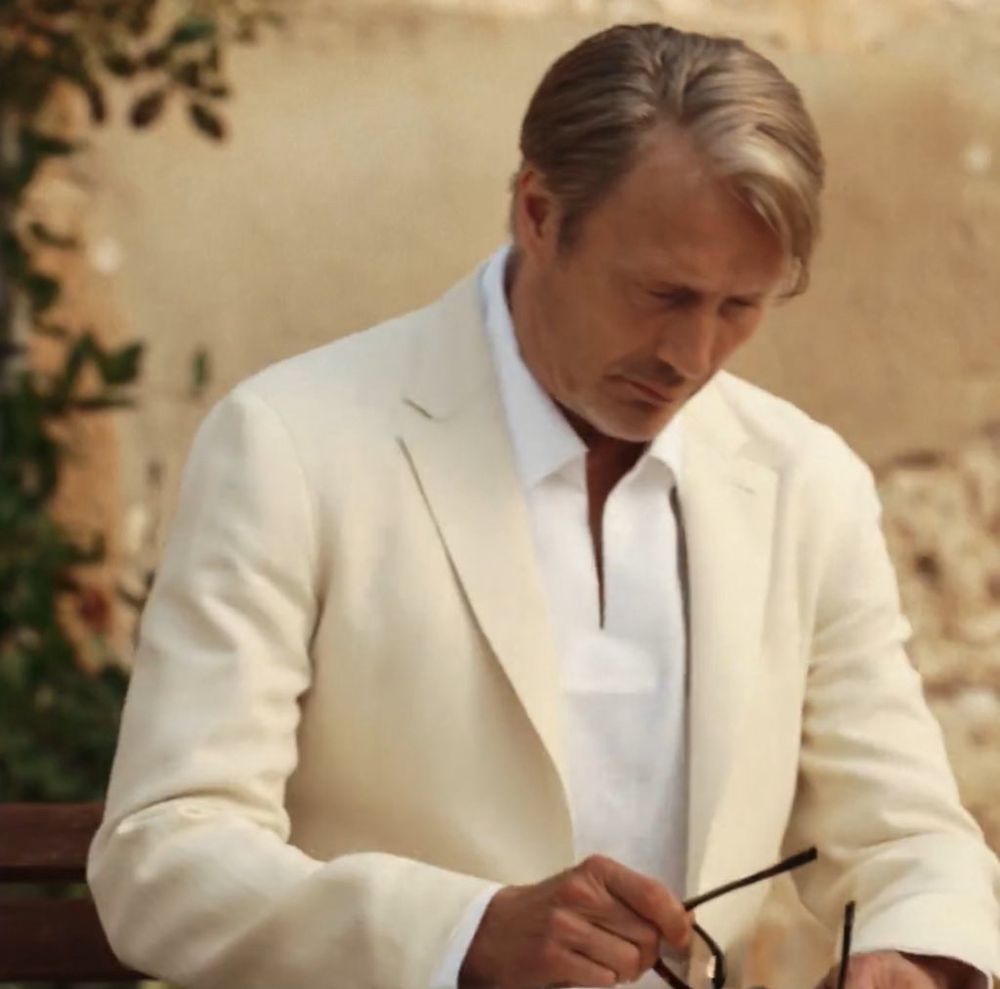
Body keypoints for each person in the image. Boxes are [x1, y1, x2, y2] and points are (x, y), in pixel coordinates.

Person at [87, 22, 999, 989]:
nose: (690, 356)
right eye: (660, 292)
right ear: (536, 211)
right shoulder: (290, 444)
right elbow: (163, 856)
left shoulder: (805, 481)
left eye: (740, 308)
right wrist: (463, 932)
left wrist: (920, 953)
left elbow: (906, 834)